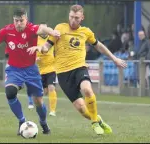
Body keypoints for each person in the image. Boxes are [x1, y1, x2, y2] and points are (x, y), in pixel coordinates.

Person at [27, 5, 127, 135]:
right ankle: (97, 119)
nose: (73, 20)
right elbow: (47, 46)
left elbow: (99, 46)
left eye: (76, 18)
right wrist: (39, 49)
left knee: (87, 89)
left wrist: (114, 58)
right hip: (63, 73)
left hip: (79, 67)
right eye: (71, 17)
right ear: (69, 15)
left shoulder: (86, 32)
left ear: (82, 18)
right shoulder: (59, 28)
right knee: (82, 109)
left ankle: (95, 123)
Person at [0, 8, 60, 135]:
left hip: (31, 70)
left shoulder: (31, 28)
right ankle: (21, 120)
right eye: (16, 21)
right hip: (14, 69)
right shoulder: (6, 31)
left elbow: (42, 28)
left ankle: (43, 122)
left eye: (21, 20)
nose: (19, 23)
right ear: (13, 20)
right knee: (10, 92)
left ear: (26, 20)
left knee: (38, 101)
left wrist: (53, 32)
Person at [28, 23, 58, 116]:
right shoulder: (35, 39)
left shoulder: (51, 38)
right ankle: (34, 104)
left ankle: (52, 111)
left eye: (46, 28)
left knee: (51, 87)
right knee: (43, 92)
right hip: (40, 70)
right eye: (43, 29)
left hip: (51, 68)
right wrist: (34, 59)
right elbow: (30, 51)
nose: (45, 30)